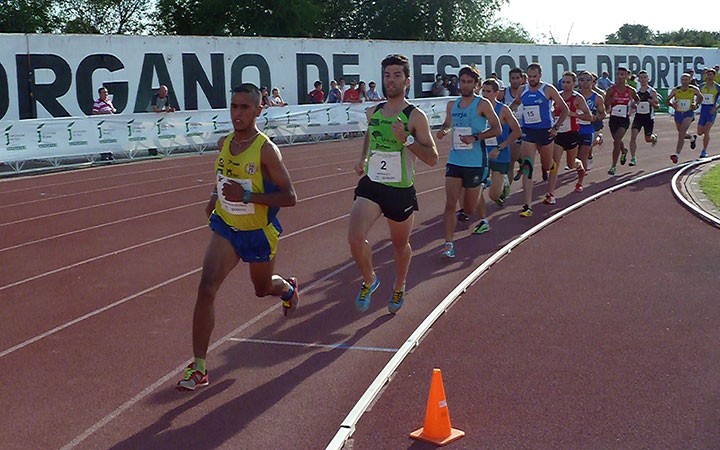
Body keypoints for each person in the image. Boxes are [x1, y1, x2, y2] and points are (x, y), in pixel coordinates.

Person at [177, 83, 299, 391]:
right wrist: (213, 197)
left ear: (259, 110)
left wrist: (246, 195)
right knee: (206, 288)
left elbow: (290, 197)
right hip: (227, 228)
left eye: (245, 107)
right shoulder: (224, 143)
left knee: (261, 289)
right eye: (233, 106)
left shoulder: (267, 150)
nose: (237, 113)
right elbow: (222, 177)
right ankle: (200, 367)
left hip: (259, 233)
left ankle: (286, 289)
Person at [348, 54, 438, 314]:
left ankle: (399, 285)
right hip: (373, 185)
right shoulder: (373, 111)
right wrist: (363, 158)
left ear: (407, 81)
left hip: (400, 190)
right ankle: (370, 280)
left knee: (399, 246)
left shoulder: (415, 116)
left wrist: (407, 140)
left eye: (397, 75)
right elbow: (370, 134)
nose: (391, 80)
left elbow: (433, 157)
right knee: (355, 237)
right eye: (387, 75)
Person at [436, 67, 501, 258]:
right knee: (450, 204)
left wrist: (476, 137)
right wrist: (443, 131)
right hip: (455, 160)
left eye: (469, 82)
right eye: (462, 81)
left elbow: (496, 129)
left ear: (476, 85)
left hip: (475, 162)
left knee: (469, 208)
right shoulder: (452, 105)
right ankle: (448, 244)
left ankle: (481, 184)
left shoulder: (483, 105)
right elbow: (448, 124)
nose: (465, 85)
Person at [510, 63, 568, 217]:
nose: (532, 79)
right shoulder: (523, 90)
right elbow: (516, 103)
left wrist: (556, 127)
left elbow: (564, 109)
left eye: (534, 76)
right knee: (528, 165)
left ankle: (551, 189)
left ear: (540, 76)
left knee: (548, 166)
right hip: (528, 132)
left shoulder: (547, 89)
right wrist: (509, 111)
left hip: (545, 133)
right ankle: (527, 205)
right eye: (529, 76)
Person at [548, 71, 591, 204]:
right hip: (558, 135)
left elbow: (588, 116)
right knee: (554, 164)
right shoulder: (557, 97)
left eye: (568, 82)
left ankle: (579, 168)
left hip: (572, 134)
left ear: (574, 83)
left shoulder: (577, 98)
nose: (565, 85)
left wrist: (574, 115)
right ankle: (551, 194)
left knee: (571, 164)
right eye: (563, 82)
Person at [480, 78, 521, 207]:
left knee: (494, 196)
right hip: (480, 153)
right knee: (470, 185)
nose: (485, 94)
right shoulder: (477, 107)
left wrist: (500, 147)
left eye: (488, 91)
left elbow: (517, 131)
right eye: (483, 91)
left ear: (496, 93)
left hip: (498, 153)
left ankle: (503, 183)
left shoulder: (503, 110)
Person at [604, 67, 638, 175]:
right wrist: (611, 100)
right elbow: (605, 104)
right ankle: (624, 151)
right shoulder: (611, 90)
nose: (620, 77)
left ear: (627, 76)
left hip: (624, 119)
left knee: (617, 140)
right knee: (617, 140)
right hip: (613, 118)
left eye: (622, 75)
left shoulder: (630, 90)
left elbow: (637, 100)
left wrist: (634, 105)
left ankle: (613, 166)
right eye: (618, 74)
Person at [576, 71, 606, 190]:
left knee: (583, 154)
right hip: (574, 129)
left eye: (588, 80)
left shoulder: (597, 98)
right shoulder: (574, 95)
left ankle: (579, 183)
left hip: (588, 128)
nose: (585, 82)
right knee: (574, 156)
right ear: (578, 81)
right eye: (582, 80)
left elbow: (603, 113)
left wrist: (595, 118)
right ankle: (578, 168)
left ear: (592, 82)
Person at [666, 73, 703, 164]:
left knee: (681, 133)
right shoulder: (676, 90)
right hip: (678, 113)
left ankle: (677, 155)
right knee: (681, 133)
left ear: (690, 80)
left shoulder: (693, 89)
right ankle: (692, 138)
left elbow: (700, 97)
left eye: (686, 80)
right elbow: (667, 100)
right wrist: (672, 105)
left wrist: (696, 105)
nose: (684, 82)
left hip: (688, 113)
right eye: (683, 80)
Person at [498, 67, 525, 189]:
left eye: (517, 78)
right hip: (505, 128)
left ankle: (505, 191)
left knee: (510, 161)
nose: (515, 81)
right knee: (508, 159)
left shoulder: (526, 92)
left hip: (521, 128)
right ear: (509, 79)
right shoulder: (503, 93)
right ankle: (522, 163)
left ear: (522, 79)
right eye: (512, 78)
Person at [628, 70, 660, 166]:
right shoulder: (636, 92)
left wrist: (652, 103)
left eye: (644, 77)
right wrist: (633, 105)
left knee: (647, 139)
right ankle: (633, 158)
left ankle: (653, 138)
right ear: (638, 79)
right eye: (641, 78)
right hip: (638, 117)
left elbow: (657, 105)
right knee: (633, 137)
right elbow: (632, 105)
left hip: (648, 118)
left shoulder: (651, 91)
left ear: (648, 79)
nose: (643, 80)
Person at [697, 67, 720, 158]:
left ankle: (704, 151)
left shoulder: (717, 87)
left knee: (706, 131)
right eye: (708, 74)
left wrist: (716, 108)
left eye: (711, 75)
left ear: (714, 76)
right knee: (699, 132)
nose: (709, 76)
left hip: (711, 110)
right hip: (703, 110)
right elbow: (697, 96)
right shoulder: (701, 86)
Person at [92, 86, 116, 161]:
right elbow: (94, 112)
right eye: (104, 92)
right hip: (103, 124)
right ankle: (104, 155)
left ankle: (110, 153)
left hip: (110, 124)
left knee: (110, 139)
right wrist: (104, 112)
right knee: (103, 139)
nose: (106, 94)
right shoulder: (97, 103)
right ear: (100, 94)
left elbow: (113, 109)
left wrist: (113, 110)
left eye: (106, 92)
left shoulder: (109, 101)